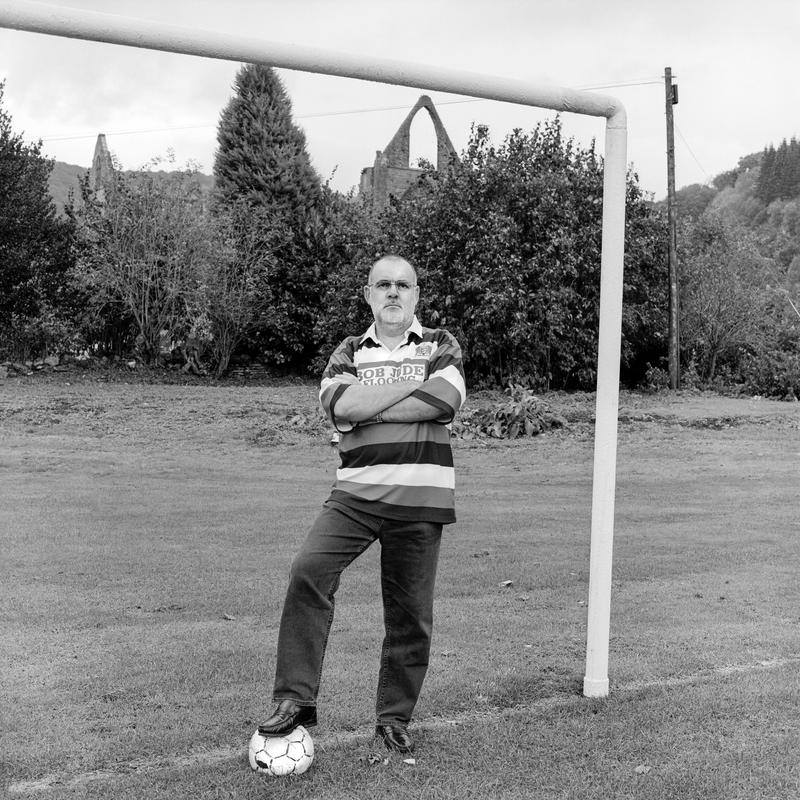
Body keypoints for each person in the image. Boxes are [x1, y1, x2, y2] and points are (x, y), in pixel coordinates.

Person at [258, 254, 466, 754]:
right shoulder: (347, 351)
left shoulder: (441, 344)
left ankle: (394, 719)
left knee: (410, 615)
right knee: (308, 570)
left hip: (420, 499)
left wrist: (370, 401)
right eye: (383, 285)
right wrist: (408, 389)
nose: (393, 293)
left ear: (416, 294)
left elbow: (445, 401)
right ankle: (295, 699)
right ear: (368, 294)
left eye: (403, 285)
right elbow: (339, 404)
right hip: (354, 496)